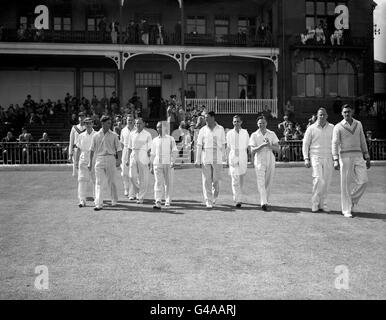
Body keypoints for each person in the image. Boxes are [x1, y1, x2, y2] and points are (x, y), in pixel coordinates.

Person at [332, 104, 370, 218]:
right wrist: (335, 159)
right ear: (341, 113)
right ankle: (346, 209)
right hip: (344, 157)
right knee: (346, 184)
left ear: (352, 112)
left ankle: (351, 200)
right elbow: (334, 143)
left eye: (348, 111)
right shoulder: (338, 127)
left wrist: (366, 155)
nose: (346, 114)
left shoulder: (358, 124)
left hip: (358, 155)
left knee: (364, 181)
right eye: (344, 112)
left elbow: (362, 139)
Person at [302, 108, 334, 213]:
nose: (322, 116)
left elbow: (336, 143)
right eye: (320, 115)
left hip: (329, 157)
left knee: (326, 182)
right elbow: (305, 144)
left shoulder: (332, 128)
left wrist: (336, 157)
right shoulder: (311, 128)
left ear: (327, 116)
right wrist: (306, 158)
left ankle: (323, 204)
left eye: (324, 115)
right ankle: (315, 203)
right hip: (315, 156)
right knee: (318, 179)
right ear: (317, 115)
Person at [89, 115, 122, 211]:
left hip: (111, 158)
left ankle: (114, 200)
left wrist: (119, 160)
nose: (110, 124)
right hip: (99, 159)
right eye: (108, 123)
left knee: (111, 181)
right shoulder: (95, 135)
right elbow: (91, 150)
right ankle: (99, 204)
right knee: (99, 182)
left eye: (110, 123)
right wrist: (90, 162)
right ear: (102, 123)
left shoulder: (114, 135)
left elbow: (119, 149)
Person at [195, 111, 226, 208]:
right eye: (205, 117)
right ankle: (208, 200)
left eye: (207, 117)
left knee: (216, 180)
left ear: (213, 118)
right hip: (206, 156)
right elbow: (199, 145)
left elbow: (224, 144)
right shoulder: (202, 130)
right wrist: (197, 160)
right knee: (206, 180)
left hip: (217, 156)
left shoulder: (220, 129)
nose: (206, 119)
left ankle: (214, 197)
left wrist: (224, 159)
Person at [249, 116, 280, 211]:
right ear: (257, 124)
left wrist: (269, 145)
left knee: (268, 181)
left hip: (270, 157)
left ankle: (266, 199)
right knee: (261, 181)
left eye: (263, 123)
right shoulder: (254, 135)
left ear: (266, 123)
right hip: (259, 158)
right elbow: (252, 150)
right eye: (259, 123)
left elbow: (278, 149)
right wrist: (262, 145)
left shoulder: (272, 134)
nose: (261, 125)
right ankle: (263, 202)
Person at [150, 121, 178, 209]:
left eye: (161, 127)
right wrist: (151, 165)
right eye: (157, 127)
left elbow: (174, 151)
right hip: (157, 163)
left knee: (168, 182)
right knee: (158, 182)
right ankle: (158, 201)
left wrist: (173, 161)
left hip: (168, 162)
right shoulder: (154, 140)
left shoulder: (170, 139)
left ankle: (167, 200)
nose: (159, 129)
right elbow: (153, 154)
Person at [126, 117, 152, 204]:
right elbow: (129, 147)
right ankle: (138, 191)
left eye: (139, 123)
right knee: (131, 176)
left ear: (143, 124)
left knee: (143, 177)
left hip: (143, 154)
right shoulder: (132, 134)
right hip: (133, 154)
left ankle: (140, 197)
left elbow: (150, 148)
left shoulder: (147, 134)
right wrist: (127, 159)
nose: (138, 125)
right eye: (136, 123)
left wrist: (149, 160)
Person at [226, 115, 250, 208]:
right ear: (233, 122)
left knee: (241, 178)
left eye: (238, 121)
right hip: (233, 156)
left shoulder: (245, 132)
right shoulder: (229, 133)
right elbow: (228, 147)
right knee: (235, 179)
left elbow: (248, 146)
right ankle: (237, 199)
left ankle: (238, 196)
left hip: (243, 155)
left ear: (241, 122)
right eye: (234, 121)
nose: (236, 123)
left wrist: (250, 159)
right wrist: (226, 159)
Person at [74, 118, 96, 207]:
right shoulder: (81, 135)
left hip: (94, 158)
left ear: (92, 124)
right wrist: (76, 161)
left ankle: (97, 199)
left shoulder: (97, 135)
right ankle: (82, 200)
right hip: (83, 159)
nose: (88, 125)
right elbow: (78, 149)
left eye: (89, 123)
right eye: (86, 123)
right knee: (82, 180)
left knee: (96, 180)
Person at [120, 114, 136, 199]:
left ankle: (132, 192)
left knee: (133, 174)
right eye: (128, 120)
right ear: (126, 121)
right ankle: (126, 188)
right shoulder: (123, 130)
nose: (130, 122)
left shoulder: (136, 130)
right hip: (125, 152)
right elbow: (121, 143)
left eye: (131, 120)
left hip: (134, 152)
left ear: (134, 121)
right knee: (124, 173)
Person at [68, 112, 86, 177]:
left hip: (84, 150)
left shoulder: (88, 128)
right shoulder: (74, 128)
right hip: (76, 150)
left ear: (85, 117)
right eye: (80, 116)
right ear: (78, 118)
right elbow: (71, 141)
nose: (81, 118)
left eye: (83, 116)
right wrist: (70, 154)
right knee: (76, 166)